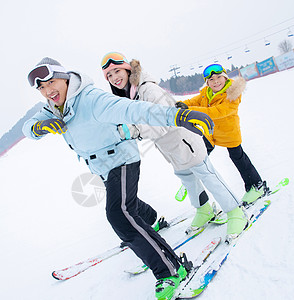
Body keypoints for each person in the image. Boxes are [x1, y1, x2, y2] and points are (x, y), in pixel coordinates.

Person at [22, 57, 215, 299]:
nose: (48, 91)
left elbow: (134, 109)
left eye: (51, 83)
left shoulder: (90, 99)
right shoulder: (53, 109)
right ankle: (153, 221)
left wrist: (175, 116)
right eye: (41, 88)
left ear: (65, 78)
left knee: (119, 214)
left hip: (121, 159)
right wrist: (38, 128)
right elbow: (27, 126)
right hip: (102, 165)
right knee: (126, 205)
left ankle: (171, 270)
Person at [100, 52, 247, 241]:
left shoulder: (148, 90)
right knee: (187, 178)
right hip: (170, 148)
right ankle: (204, 210)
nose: (114, 78)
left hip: (185, 141)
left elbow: (165, 121)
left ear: (128, 70)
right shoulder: (132, 94)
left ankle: (236, 212)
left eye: (117, 71)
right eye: (109, 76)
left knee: (208, 176)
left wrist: (134, 130)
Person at [176, 64, 268, 205]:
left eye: (219, 77)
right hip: (211, 133)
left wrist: (190, 110)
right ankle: (191, 178)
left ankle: (256, 186)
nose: (216, 81)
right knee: (199, 155)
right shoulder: (206, 92)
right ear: (207, 82)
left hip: (228, 133)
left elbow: (219, 111)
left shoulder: (233, 93)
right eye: (211, 79)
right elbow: (192, 101)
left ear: (225, 77)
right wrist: (178, 105)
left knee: (238, 157)